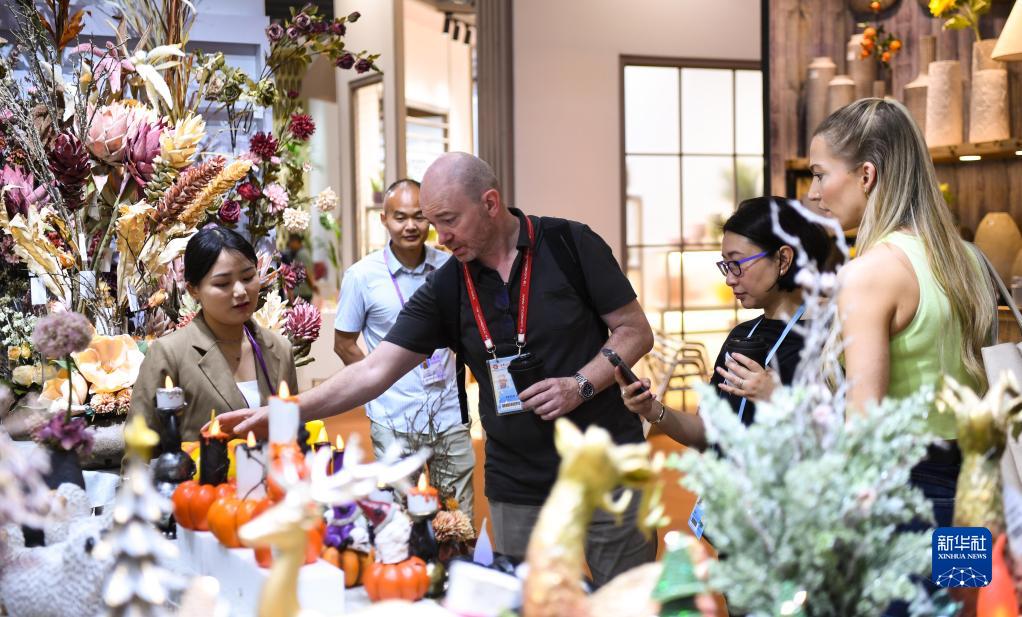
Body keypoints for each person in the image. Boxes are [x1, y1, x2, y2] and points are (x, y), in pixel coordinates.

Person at [218, 152, 656, 585]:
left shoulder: (569, 244)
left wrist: (579, 385)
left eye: (449, 220)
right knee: (527, 602)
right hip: (519, 481)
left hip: (608, 466)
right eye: (434, 223)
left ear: (489, 203)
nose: (440, 237)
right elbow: (373, 370)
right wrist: (288, 411)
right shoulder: (449, 284)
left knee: (626, 597)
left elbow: (635, 331)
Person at [809, 97, 996, 617]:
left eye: (821, 175)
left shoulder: (870, 273)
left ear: (866, 175)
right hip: (970, 491)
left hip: (905, 495)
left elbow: (865, 427)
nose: (814, 193)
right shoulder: (968, 259)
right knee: (958, 612)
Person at [616, 197, 835, 448]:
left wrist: (776, 399)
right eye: (726, 265)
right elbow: (706, 433)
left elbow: (841, 442)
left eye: (737, 264)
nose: (729, 279)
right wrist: (651, 409)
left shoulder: (828, 340)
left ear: (783, 260)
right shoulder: (742, 336)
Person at [334, 178, 475, 520]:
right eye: (400, 217)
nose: (410, 226)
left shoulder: (452, 268)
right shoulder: (362, 276)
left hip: (448, 413)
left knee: (458, 519)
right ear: (384, 219)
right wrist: (379, 385)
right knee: (399, 521)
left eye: (419, 216)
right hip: (392, 416)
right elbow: (344, 343)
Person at [131, 226, 299, 442]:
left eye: (248, 277)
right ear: (193, 290)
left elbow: (293, 433)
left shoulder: (279, 348)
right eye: (222, 284)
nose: (240, 291)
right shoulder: (170, 354)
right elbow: (138, 448)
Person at [282, 232, 319, 303]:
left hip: (303, 292)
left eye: (291, 242)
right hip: (303, 291)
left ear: (296, 242)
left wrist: (312, 286)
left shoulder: (301, 254)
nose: (290, 245)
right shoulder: (302, 252)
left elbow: (305, 272)